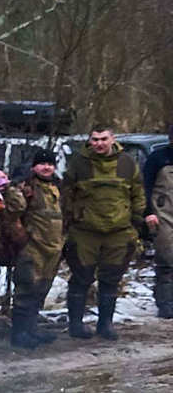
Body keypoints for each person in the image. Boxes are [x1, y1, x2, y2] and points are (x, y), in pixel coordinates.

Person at [60, 124, 153, 340]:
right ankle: (76, 325)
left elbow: (138, 192)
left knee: (111, 279)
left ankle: (105, 324)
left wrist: (136, 220)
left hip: (119, 232)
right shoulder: (79, 163)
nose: (99, 144)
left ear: (113, 139)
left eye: (103, 139)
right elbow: (66, 193)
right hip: (85, 232)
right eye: (95, 139)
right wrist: (73, 218)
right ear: (89, 141)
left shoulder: (127, 163)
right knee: (81, 278)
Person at [0, 149, 64, 350]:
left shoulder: (57, 187)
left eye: (50, 164)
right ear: (34, 166)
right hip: (32, 248)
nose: (46, 168)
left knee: (41, 290)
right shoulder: (25, 187)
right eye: (42, 164)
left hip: (52, 249)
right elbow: (11, 215)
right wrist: (21, 239)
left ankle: (31, 330)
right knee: (26, 290)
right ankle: (19, 335)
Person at [146, 134, 173, 318]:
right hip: (163, 215)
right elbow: (145, 187)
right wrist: (148, 212)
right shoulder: (158, 157)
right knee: (167, 259)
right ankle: (166, 304)